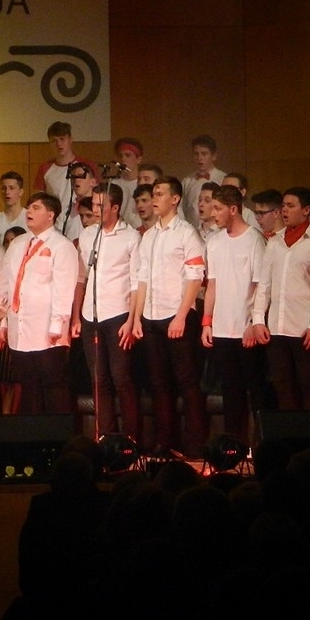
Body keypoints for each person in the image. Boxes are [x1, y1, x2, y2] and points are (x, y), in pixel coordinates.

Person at [128, 178, 207, 456]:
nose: (154, 199)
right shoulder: (149, 236)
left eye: (160, 194)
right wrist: (137, 318)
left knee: (186, 381)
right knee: (158, 383)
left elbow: (195, 277)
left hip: (177, 315)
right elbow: (142, 279)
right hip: (151, 317)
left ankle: (196, 443)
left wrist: (181, 316)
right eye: (153, 194)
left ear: (175, 199)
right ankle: (165, 441)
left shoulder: (186, 233)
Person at [248, 187, 310, 412]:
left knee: (309, 388)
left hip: (304, 330)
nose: (285, 211)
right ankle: (289, 433)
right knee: (283, 387)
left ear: (306, 210)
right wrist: (258, 320)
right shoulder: (275, 242)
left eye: (290, 206)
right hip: (277, 329)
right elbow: (264, 285)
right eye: (283, 206)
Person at [0, 193, 79, 415]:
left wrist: (57, 325)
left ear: (50, 215)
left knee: (53, 386)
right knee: (28, 386)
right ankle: (33, 433)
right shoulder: (18, 244)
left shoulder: (62, 246)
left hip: (47, 331)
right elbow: (5, 283)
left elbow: (64, 289)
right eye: (29, 207)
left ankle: (58, 433)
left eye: (36, 208)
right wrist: (2, 321)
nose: (29, 212)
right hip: (19, 328)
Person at [199, 184, 269, 441]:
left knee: (256, 390)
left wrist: (253, 322)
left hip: (246, 328)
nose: (212, 213)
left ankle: (260, 444)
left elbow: (260, 285)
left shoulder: (254, 240)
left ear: (233, 209)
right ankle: (233, 445)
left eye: (218, 208)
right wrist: (207, 322)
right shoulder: (215, 242)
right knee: (230, 390)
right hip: (222, 328)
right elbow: (212, 284)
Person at [70, 185, 140, 441]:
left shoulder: (131, 237)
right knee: (98, 379)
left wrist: (132, 320)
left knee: (121, 378)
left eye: (101, 206)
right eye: (94, 205)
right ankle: (106, 437)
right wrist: (76, 316)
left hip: (119, 314)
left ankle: (131, 438)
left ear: (115, 208)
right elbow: (81, 278)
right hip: (91, 315)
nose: (96, 210)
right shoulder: (88, 235)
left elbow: (137, 282)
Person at [31, 122, 98, 232]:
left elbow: (98, 195)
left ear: (70, 139)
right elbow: (40, 200)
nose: (58, 144)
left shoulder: (86, 165)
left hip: (81, 221)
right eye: (54, 141)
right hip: (55, 223)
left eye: (62, 139)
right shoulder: (45, 168)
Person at [181, 134, 221, 227]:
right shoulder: (187, 181)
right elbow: (181, 209)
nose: (199, 158)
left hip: (216, 230)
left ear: (214, 156)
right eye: (196, 154)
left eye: (204, 154)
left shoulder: (222, 179)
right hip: (191, 230)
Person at [0, 171, 28, 244]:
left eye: (12, 188)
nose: (7, 192)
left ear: (21, 192)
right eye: (3, 188)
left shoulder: (30, 218)